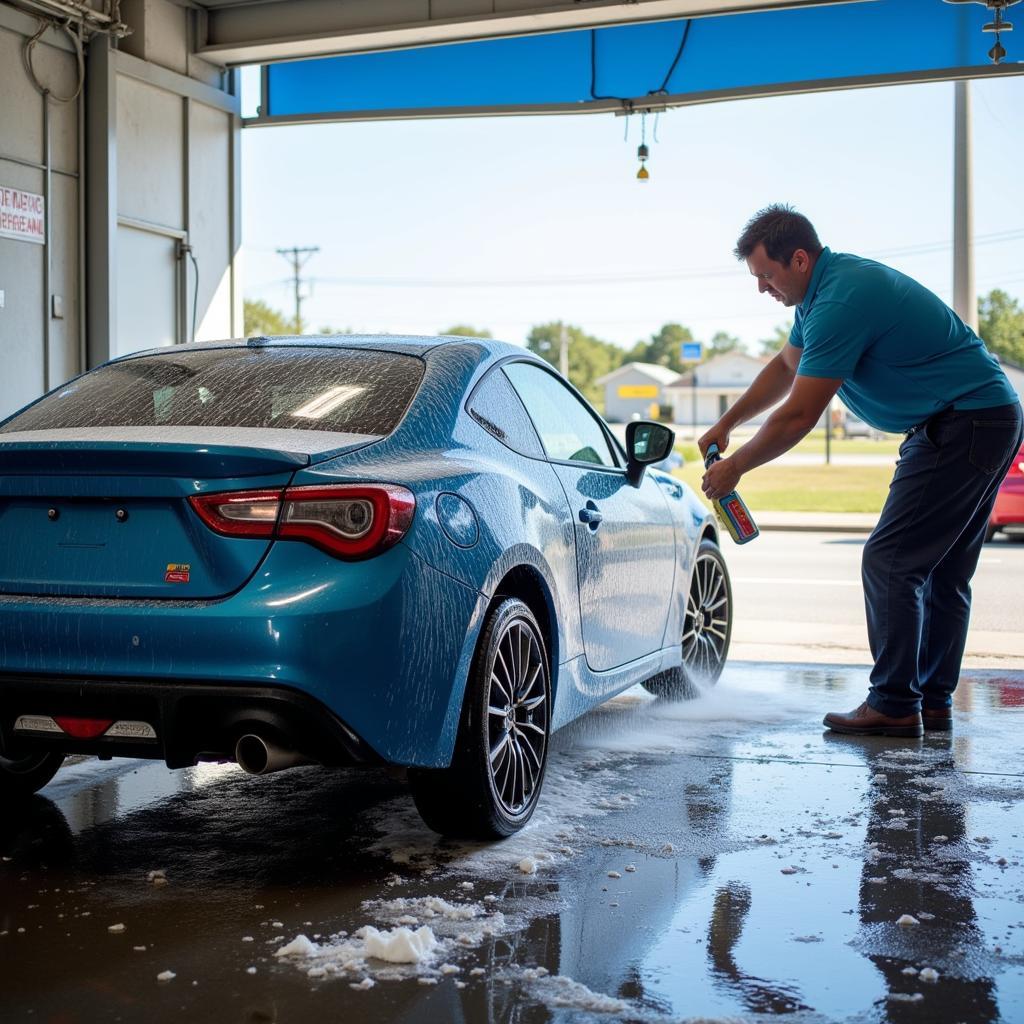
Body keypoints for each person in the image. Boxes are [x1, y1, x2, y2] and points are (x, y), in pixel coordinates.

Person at [699, 204, 1023, 737]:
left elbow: (801, 413)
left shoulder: (842, 300)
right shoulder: (823, 295)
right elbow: (785, 368)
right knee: (940, 569)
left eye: (766, 276)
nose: (762, 289)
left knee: (891, 559)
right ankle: (931, 701)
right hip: (981, 415)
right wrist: (728, 422)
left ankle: (895, 703)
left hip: (964, 420)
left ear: (799, 259)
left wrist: (733, 468)